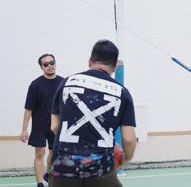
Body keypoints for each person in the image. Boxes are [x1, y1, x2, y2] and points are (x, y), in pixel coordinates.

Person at [50, 39, 136, 187]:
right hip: (100, 170)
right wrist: (125, 158)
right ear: (115, 66)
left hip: (63, 168)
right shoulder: (123, 93)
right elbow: (128, 139)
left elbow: (54, 126)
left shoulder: (66, 83)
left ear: (90, 61)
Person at [21, 54, 64, 187]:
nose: (50, 66)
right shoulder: (35, 85)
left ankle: (49, 174)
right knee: (39, 153)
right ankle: (40, 184)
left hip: (56, 125)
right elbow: (28, 109)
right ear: (41, 67)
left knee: (53, 153)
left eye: (52, 62)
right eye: (46, 64)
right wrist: (24, 130)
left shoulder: (63, 82)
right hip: (39, 126)